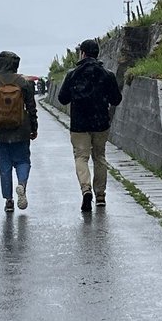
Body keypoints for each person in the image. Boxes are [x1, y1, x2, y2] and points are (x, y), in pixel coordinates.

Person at [56, 38, 122, 211]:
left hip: (79, 125)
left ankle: (86, 190)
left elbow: (62, 98)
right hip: (101, 123)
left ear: (82, 53)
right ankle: (100, 195)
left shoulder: (72, 74)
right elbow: (117, 99)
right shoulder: (107, 74)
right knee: (99, 157)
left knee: (81, 157)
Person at [0, 51, 38, 213]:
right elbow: (31, 108)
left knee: (4, 166)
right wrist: (34, 128)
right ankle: (22, 184)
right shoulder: (23, 83)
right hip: (21, 130)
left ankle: (9, 201)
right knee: (23, 161)